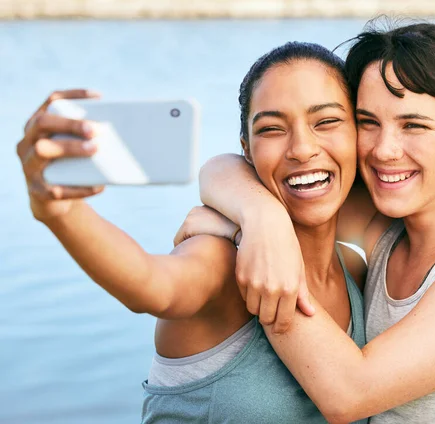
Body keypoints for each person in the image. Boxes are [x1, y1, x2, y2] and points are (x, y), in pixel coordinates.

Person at [176, 22, 435, 423]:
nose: (384, 150)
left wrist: (244, 236)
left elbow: (348, 393)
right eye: (368, 122)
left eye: (413, 125)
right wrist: (261, 218)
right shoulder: (388, 230)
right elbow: (228, 167)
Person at [15, 42, 368, 423]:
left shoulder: (356, 270)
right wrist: (61, 211)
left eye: (327, 122)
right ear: (246, 151)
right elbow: (152, 283)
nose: (302, 148)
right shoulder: (219, 261)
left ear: (359, 134)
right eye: (271, 129)